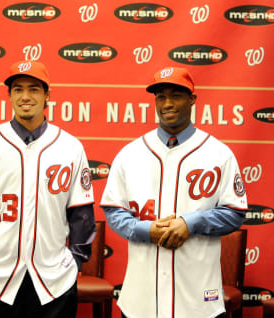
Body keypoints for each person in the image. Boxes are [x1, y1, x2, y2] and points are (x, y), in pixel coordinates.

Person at [100, 66, 248, 318]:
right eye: (161, 96)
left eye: (176, 95)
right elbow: (114, 211)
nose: (167, 103)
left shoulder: (219, 153)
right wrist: (146, 230)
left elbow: (235, 213)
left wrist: (191, 223)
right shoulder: (130, 153)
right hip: (141, 298)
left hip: (198, 297)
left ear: (192, 99)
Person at [0, 60, 96, 318]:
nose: (25, 96)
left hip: (53, 279)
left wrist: (75, 261)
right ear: (9, 95)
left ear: (47, 96)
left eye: (33, 89)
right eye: (18, 89)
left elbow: (82, 213)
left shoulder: (70, 147)